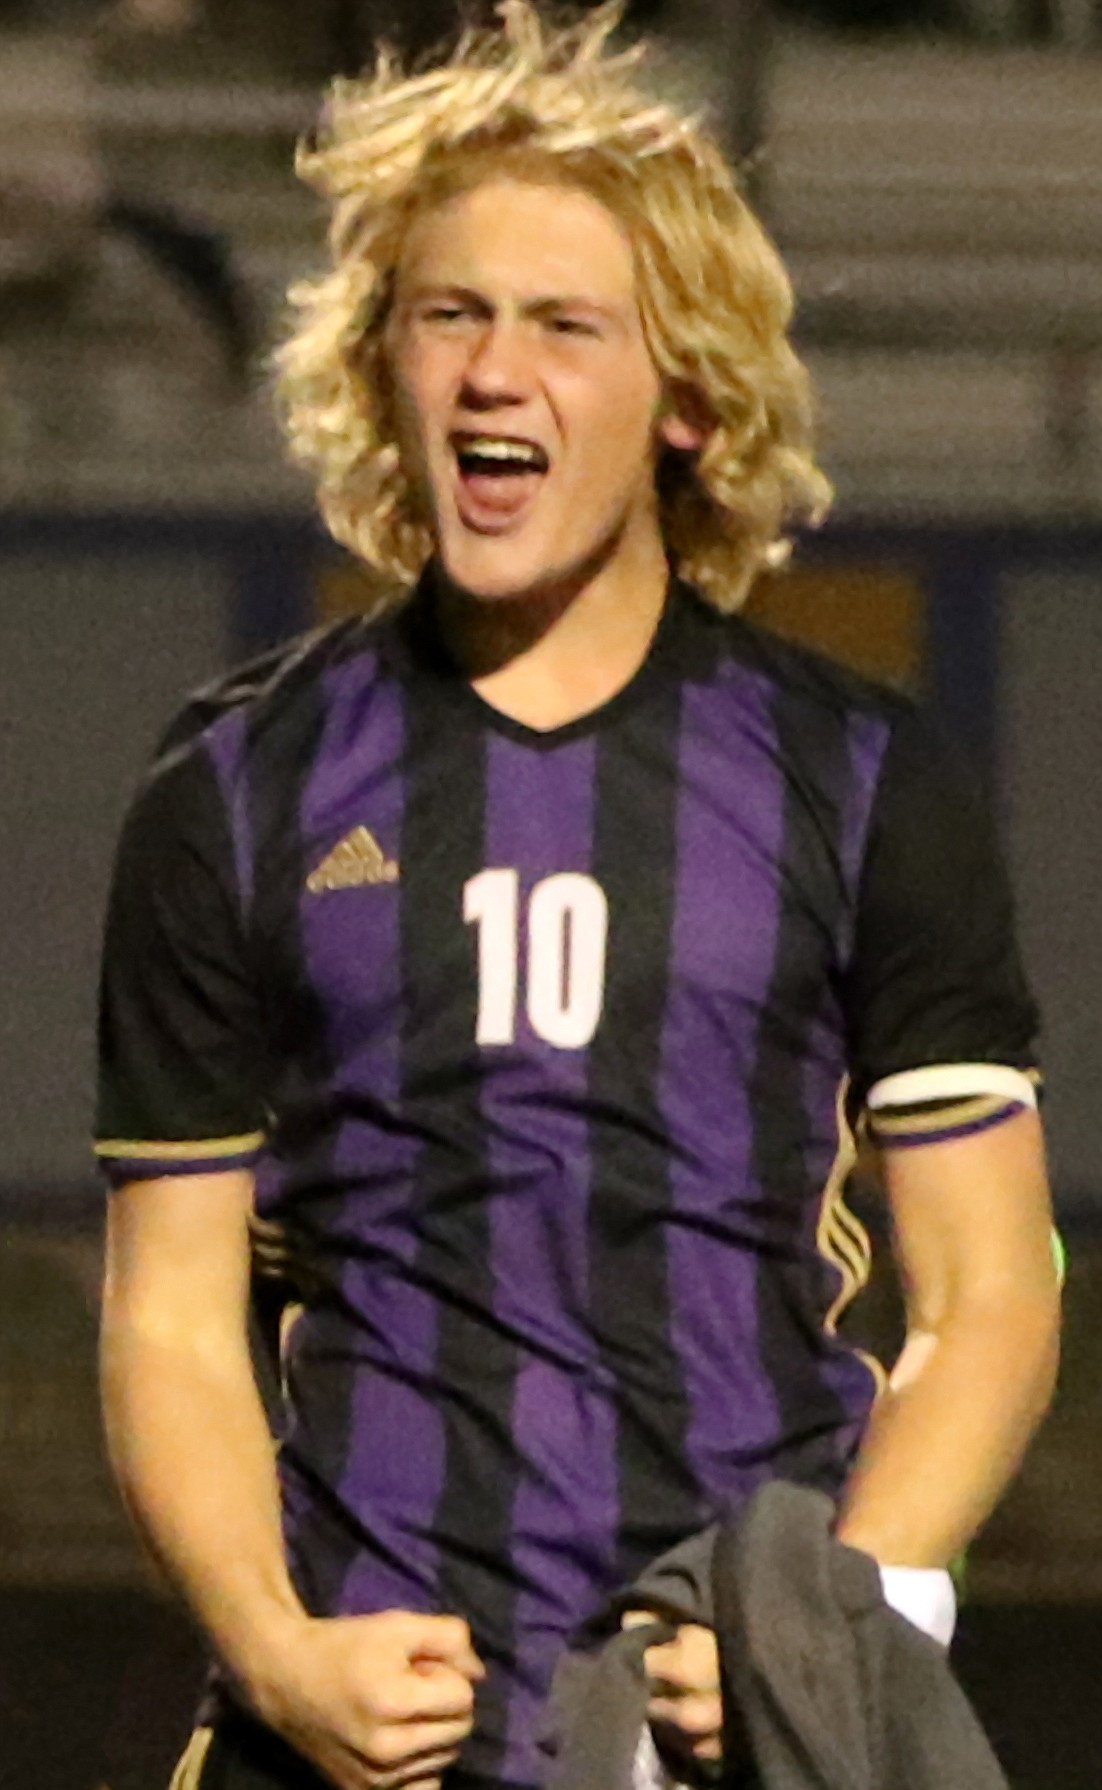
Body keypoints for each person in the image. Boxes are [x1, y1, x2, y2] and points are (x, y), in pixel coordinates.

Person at [94, 5, 1061, 1788]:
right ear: (380, 363)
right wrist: (279, 1654)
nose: (488, 372)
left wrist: (833, 1614)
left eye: (560, 325)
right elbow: (166, 1309)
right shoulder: (233, 786)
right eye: (447, 314)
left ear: (684, 396)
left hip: (730, 1723)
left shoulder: (857, 778)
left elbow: (985, 1290)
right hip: (353, 1730)